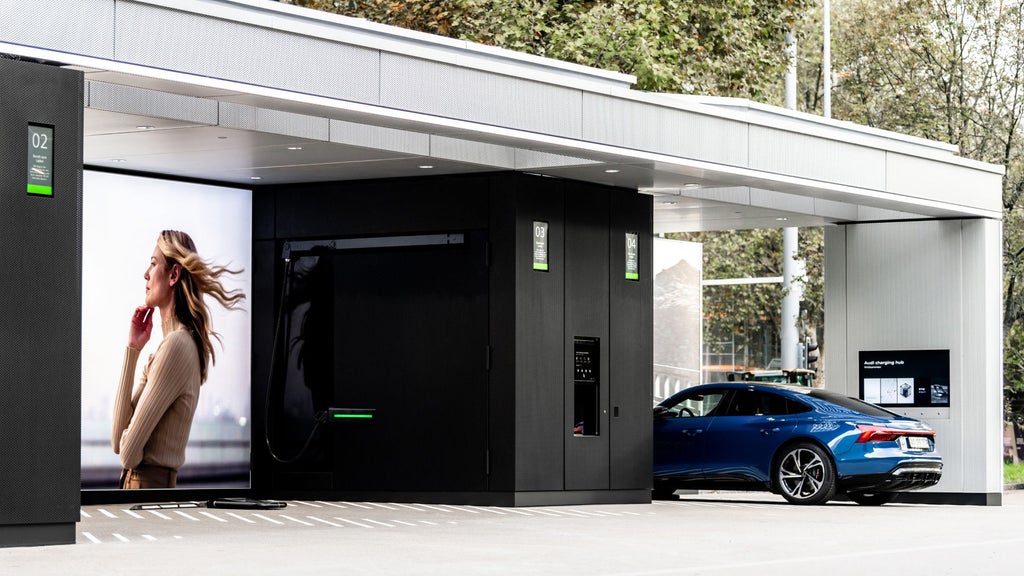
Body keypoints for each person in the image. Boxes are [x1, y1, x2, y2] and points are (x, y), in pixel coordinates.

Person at [111, 230, 245, 489]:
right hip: (145, 491)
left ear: (173, 275)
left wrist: (132, 444)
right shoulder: (168, 347)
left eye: (152, 263)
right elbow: (118, 441)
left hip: (146, 490)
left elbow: (127, 453)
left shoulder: (176, 347)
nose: (145, 274)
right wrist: (132, 350)